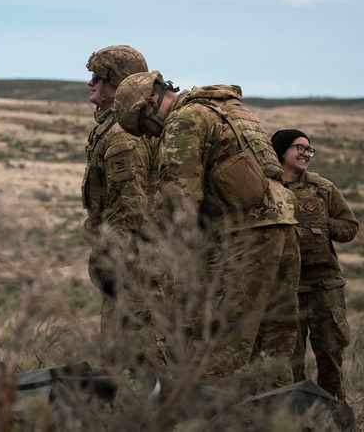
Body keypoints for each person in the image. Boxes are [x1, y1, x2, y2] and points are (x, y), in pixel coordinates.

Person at [113, 72, 300, 387]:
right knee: (275, 344)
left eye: (143, 126)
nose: (147, 136)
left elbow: (179, 201)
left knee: (219, 346)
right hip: (284, 227)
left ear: (150, 103)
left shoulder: (183, 121)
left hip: (245, 238)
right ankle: (285, 415)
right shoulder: (232, 109)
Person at [81, 45, 158, 367]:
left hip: (132, 264)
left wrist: (115, 260)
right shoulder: (116, 128)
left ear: (118, 83)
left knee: (126, 356)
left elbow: (131, 208)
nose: (91, 84)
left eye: (98, 77)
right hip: (128, 258)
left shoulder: (123, 135)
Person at [271, 129, 358, 400]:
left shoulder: (323, 188)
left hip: (325, 285)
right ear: (281, 151)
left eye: (309, 149)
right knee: (289, 361)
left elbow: (350, 228)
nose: (306, 154)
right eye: (299, 148)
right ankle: (296, 418)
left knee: (330, 356)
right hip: (285, 288)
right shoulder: (265, 187)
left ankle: (333, 416)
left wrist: (324, 223)